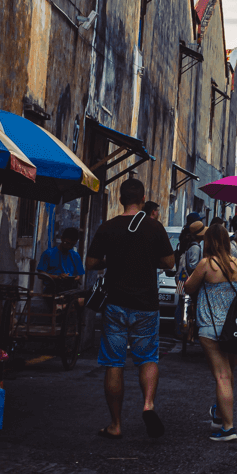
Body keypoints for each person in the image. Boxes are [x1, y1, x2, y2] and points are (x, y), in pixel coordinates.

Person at [86, 178, 176, 439]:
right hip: (146, 304)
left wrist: (111, 260)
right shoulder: (154, 227)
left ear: (119, 198)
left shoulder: (108, 227)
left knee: (114, 363)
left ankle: (115, 425)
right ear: (143, 199)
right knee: (148, 358)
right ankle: (148, 405)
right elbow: (169, 262)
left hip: (115, 303)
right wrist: (147, 260)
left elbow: (91, 263)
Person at [184, 222, 237, 442]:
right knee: (228, 374)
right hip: (236, 329)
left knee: (222, 376)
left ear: (208, 242)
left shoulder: (206, 264)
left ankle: (228, 428)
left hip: (210, 327)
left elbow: (188, 288)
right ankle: (219, 415)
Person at [173, 213, 207, 347]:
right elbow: (193, 265)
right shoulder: (195, 246)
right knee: (186, 303)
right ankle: (183, 331)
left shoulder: (185, 237)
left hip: (181, 275)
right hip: (186, 277)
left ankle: (179, 329)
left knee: (181, 301)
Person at [35, 227, 84, 292]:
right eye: (67, 243)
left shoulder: (76, 256)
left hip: (70, 291)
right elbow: (40, 274)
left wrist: (76, 278)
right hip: (52, 290)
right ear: (62, 238)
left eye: (72, 245)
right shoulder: (48, 253)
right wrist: (57, 277)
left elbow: (79, 274)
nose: (69, 246)